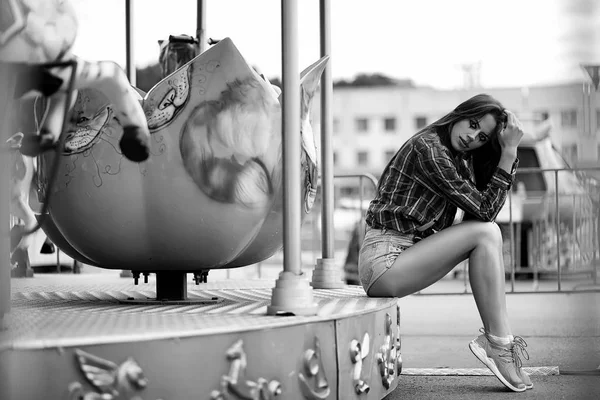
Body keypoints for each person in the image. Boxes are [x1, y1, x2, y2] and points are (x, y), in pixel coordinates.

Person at [358, 94, 532, 392]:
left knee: (486, 233)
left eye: (481, 136)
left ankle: (499, 341)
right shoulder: (430, 149)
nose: (472, 137)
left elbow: (483, 208)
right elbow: (485, 212)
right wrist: (509, 152)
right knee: (487, 232)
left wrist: (506, 153)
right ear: (460, 114)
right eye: (472, 124)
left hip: (406, 255)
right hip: (384, 261)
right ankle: (499, 345)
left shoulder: (458, 159)